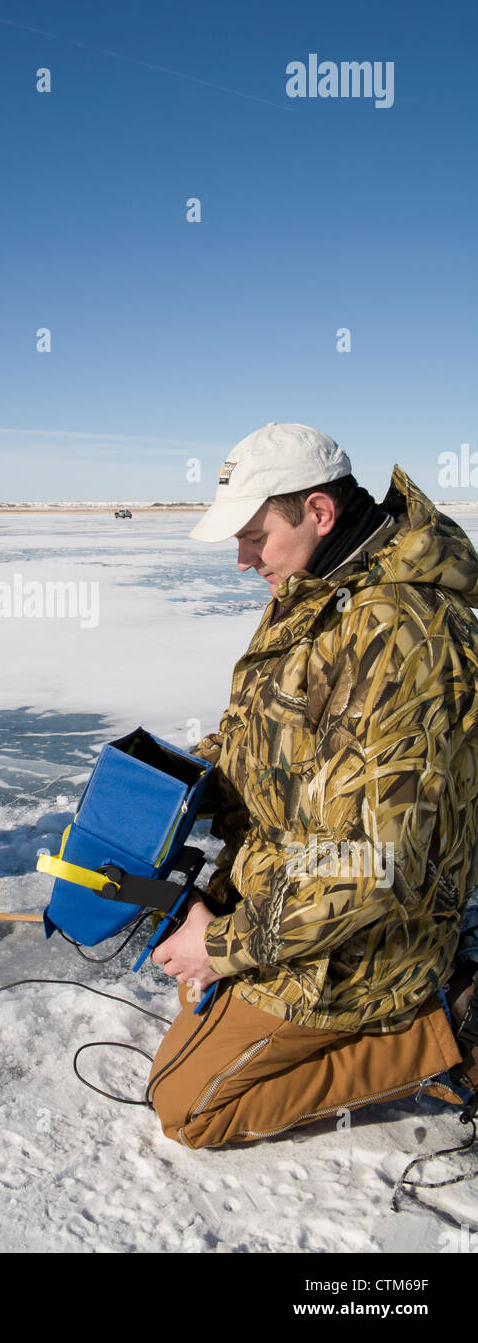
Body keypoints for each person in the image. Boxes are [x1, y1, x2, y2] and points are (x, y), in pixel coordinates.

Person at [148, 422, 478, 1146]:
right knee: (186, 976)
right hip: (295, 881)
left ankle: (445, 1029)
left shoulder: (396, 634)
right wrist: (177, 779)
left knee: (189, 1107)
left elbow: (371, 866)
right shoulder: (319, 588)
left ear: (319, 514)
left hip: (371, 939)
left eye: (253, 535)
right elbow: (274, 735)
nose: (241, 560)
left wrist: (225, 945)